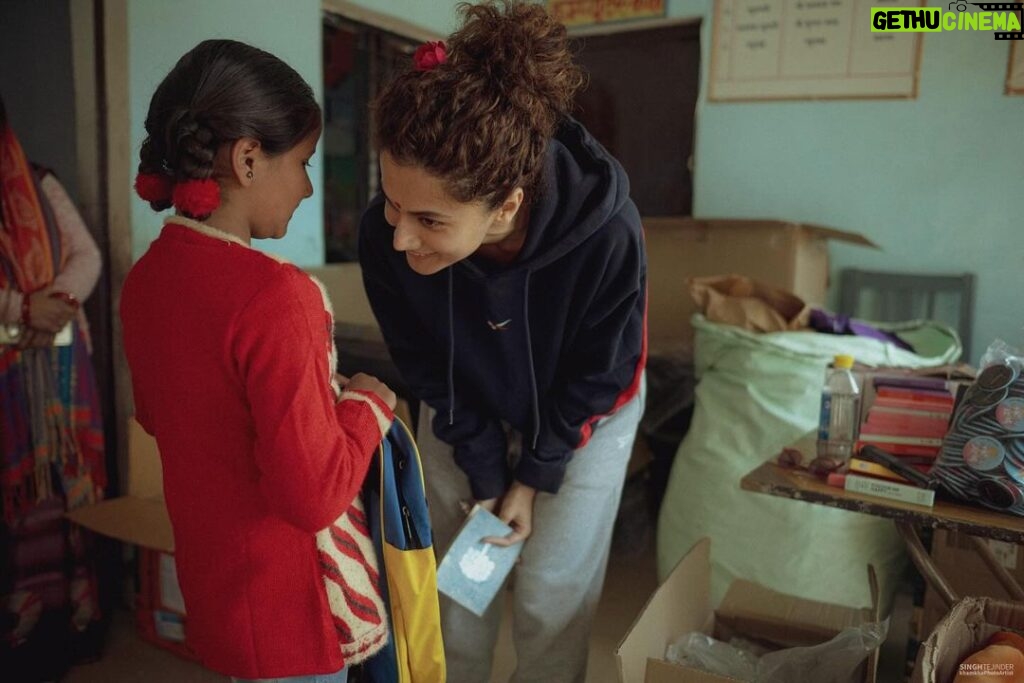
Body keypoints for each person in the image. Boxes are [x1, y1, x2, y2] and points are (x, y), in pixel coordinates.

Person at [358, 2, 647, 681]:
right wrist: (489, 475)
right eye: (393, 203)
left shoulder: (607, 234)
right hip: (464, 405)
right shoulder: (387, 237)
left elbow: (600, 374)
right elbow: (427, 366)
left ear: (507, 206)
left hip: (585, 413)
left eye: (430, 219)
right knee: (461, 586)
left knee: (551, 594)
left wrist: (535, 476)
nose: (401, 236)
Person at [120, 40, 398, 683]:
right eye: (301, 162)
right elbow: (313, 496)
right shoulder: (279, 297)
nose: (305, 186)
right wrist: (365, 407)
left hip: (215, 595)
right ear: (248, 159)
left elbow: (160, 416)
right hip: (290, 615)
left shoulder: (147, 279)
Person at [0, 92, 106, 679]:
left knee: (65, 491)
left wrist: (54, 304)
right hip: (9, 375)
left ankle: (68, 620)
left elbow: (86, 255)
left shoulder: (39, 182)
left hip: (59, 374)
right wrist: (19, 307)